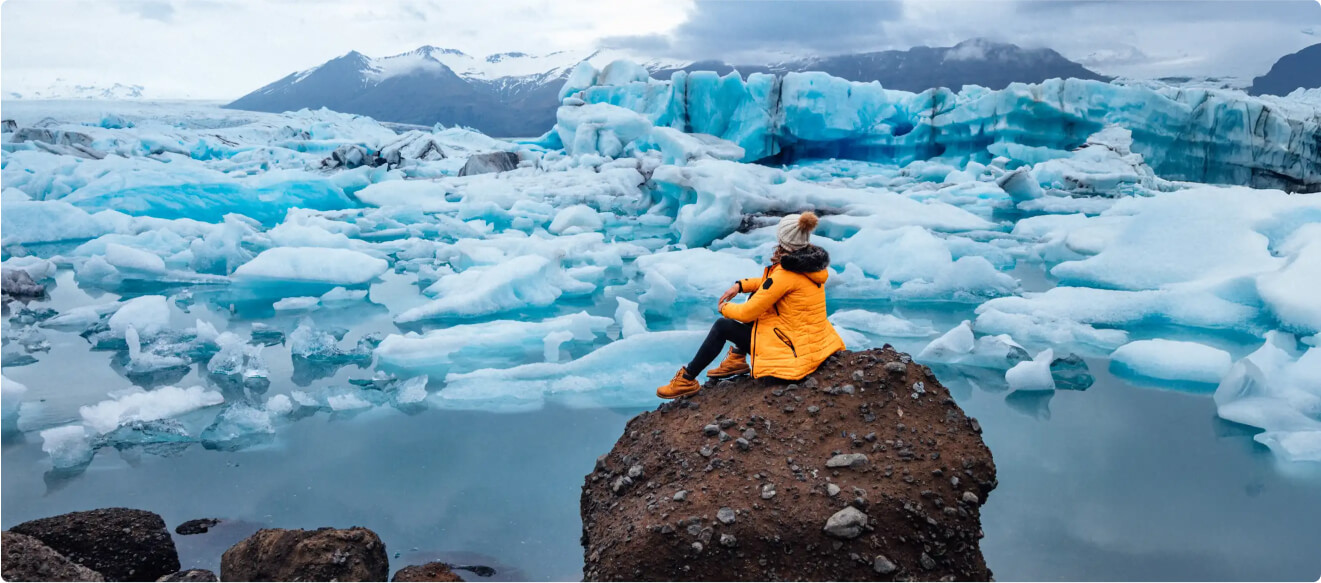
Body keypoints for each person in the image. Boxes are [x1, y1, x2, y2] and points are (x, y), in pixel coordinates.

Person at [656, 211, 846, 399]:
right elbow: (772, 285)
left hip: (792, 353)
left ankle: (686, 380)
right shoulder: (809, 266)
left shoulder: (785, 274)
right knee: (757, 294)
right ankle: (737, 359)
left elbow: (748, 313)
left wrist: (724, 307)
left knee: (723, 326)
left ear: (783, 239)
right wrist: (741, 285)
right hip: (807, 342)